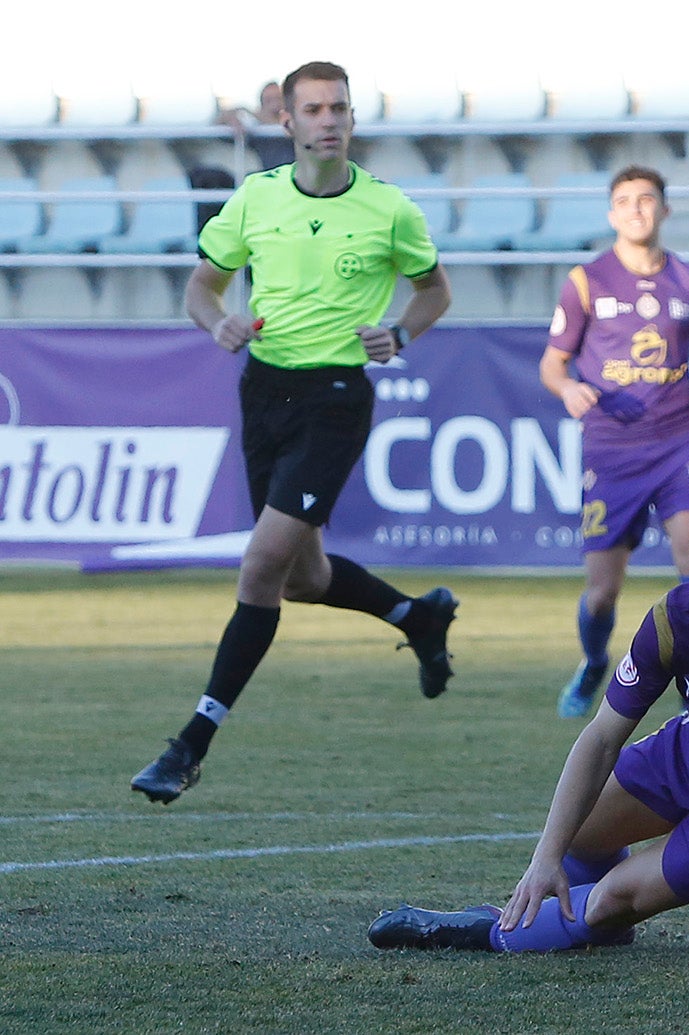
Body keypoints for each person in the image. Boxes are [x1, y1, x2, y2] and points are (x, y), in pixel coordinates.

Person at [368, 499, 689, 977]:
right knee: (577, 831)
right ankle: (594, 927)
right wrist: (546, 856)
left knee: (611, 900)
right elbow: (602, 737)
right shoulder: (672, 623)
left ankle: (478, 929)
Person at [131, 61, 454, 805]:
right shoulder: (256, 199)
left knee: (260, 567)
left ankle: (191, 742)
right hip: (264, 390)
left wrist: (399, 334)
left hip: (336, 396)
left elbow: (435, 289)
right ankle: (418, 615)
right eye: (313, 109)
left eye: (339, 107)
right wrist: (222, 325)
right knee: (303, 576)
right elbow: (200, 288)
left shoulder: (389, 209)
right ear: (289, 122)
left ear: (351, 117)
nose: (328, 119)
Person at [539, 164, 689, 719]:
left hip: (680, 443)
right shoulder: (586, 282)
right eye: (625, 201)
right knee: (603, 594)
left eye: (646, 199)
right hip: (611, 452)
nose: (636, 209)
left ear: (664, 209)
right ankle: (594, 663)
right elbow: (552, 363)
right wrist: (567, 388)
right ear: (611, 213)